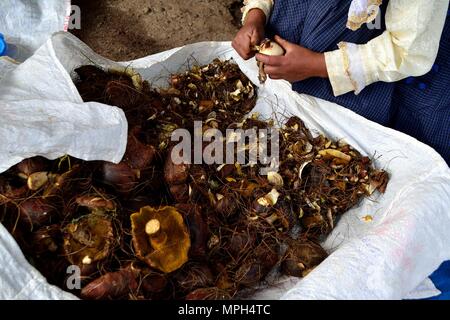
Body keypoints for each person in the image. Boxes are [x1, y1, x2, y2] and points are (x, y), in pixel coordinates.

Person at [232, 0, 450, 165]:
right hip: (283, 62)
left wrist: (317, 65)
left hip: (360, 81)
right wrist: (255, 15)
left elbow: (407, 50)